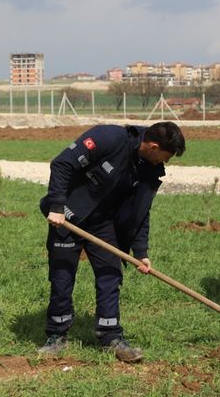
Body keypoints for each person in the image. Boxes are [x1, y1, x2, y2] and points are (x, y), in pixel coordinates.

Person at [38, 122, 185, 363]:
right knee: (62, 275)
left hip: (103, 223)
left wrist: (140, 251)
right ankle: (57, 334)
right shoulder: (108, 137)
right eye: (165, 157)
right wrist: (56, 206)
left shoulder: (148, 168)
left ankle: (110, 335)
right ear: (153, 146)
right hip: (67, 216)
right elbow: (62, 163)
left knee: (110, 274)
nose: (164, 163)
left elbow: (141, 210)